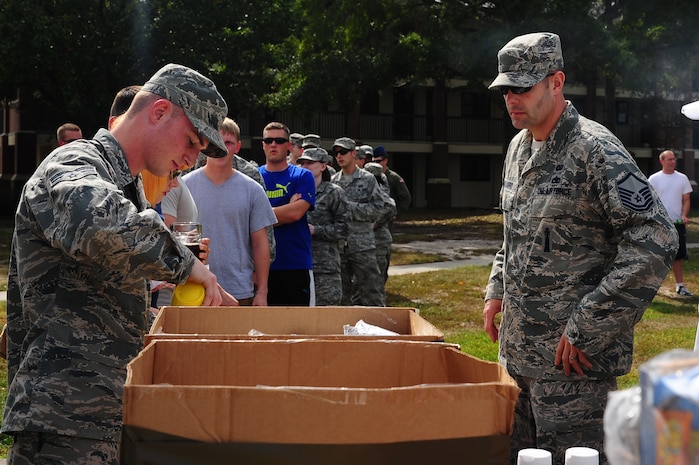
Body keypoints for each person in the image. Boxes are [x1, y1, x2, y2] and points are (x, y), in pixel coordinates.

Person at [3, 63, 238, 465]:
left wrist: (178, 332)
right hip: (65, 421)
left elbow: (99, 306)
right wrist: (185, 264)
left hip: (105, 414)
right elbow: (95, 221)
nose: (192, 158)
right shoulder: (74, 163)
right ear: (159, 112)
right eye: (192, 141)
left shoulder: (128, 192)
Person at [482, 32, 677, 465]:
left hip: (573, 367)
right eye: (506, 89)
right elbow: (516, 232)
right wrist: (497, 289)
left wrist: (591, 324)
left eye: (524, 86)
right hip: (521, 356)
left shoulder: (595, 149)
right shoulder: (518, 146)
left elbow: (656, 239)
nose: (513, 98)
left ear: (556, 82)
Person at [185, 118, 277, 306]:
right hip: (193, 288)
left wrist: (262, 292)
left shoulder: (253, 189)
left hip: (239, 291)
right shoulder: (184, 186)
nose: (221, 148)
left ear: (238, 147)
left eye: (228, 142)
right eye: (215, 141)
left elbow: (261, 244)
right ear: (205, 144)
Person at [259, 121, 316, 306]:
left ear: (289, 146)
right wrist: (285, 208)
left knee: (298, 329)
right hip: (260, 268)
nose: (273, 144)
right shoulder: (252, 178)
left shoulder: (302, 176)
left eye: (279, 140)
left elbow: (295, 214)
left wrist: (260, 217)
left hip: (294, 264)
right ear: (263, 144)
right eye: (268, 140)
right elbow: (244, 219)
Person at [331, 137, 386, 306]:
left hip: (362, 245)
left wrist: (350, 208)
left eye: (344, 152)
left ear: (354, 154)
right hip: (340, 247)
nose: (339, 156)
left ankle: (379, 329)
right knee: (341, 295)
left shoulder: (368, 179)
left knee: (372, 292)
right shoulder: (333, 182)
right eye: (336, 153)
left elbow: (378, 208)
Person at [299, 147, 350, 306]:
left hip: (325, 268)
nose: (305, 167)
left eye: (310, 163)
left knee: (327, 314)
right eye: (302, 163)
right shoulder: (296, 191)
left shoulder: (334, 193)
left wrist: (316, 230)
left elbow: (344, 228)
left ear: (323, 166)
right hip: (299, 265)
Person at [649, 150, 694, 296]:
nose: (672, 162)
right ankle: (651, 287)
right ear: (662, 161)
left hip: (677, 223)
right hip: (660, 224)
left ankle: (680, 286)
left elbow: (686, 200)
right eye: (669, 159)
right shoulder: (654, 179)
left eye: (674, 159)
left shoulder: (682, 178)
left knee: (678, 256)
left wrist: (684, 215)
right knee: (657, 255)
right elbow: (650, 201)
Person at [364, 161, 397, 289]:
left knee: (377, 277)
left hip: (379, 240)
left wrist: (375, 224)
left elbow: (390, 207)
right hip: (369, 241)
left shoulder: (379, 188)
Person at [372, 145, 412, 216]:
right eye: (373, 161)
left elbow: (405, 197)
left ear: (385, 161)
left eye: (378, 161)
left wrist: (396, 213)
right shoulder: (370, 177)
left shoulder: (393, 177)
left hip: (387, 219)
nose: (375, 164)